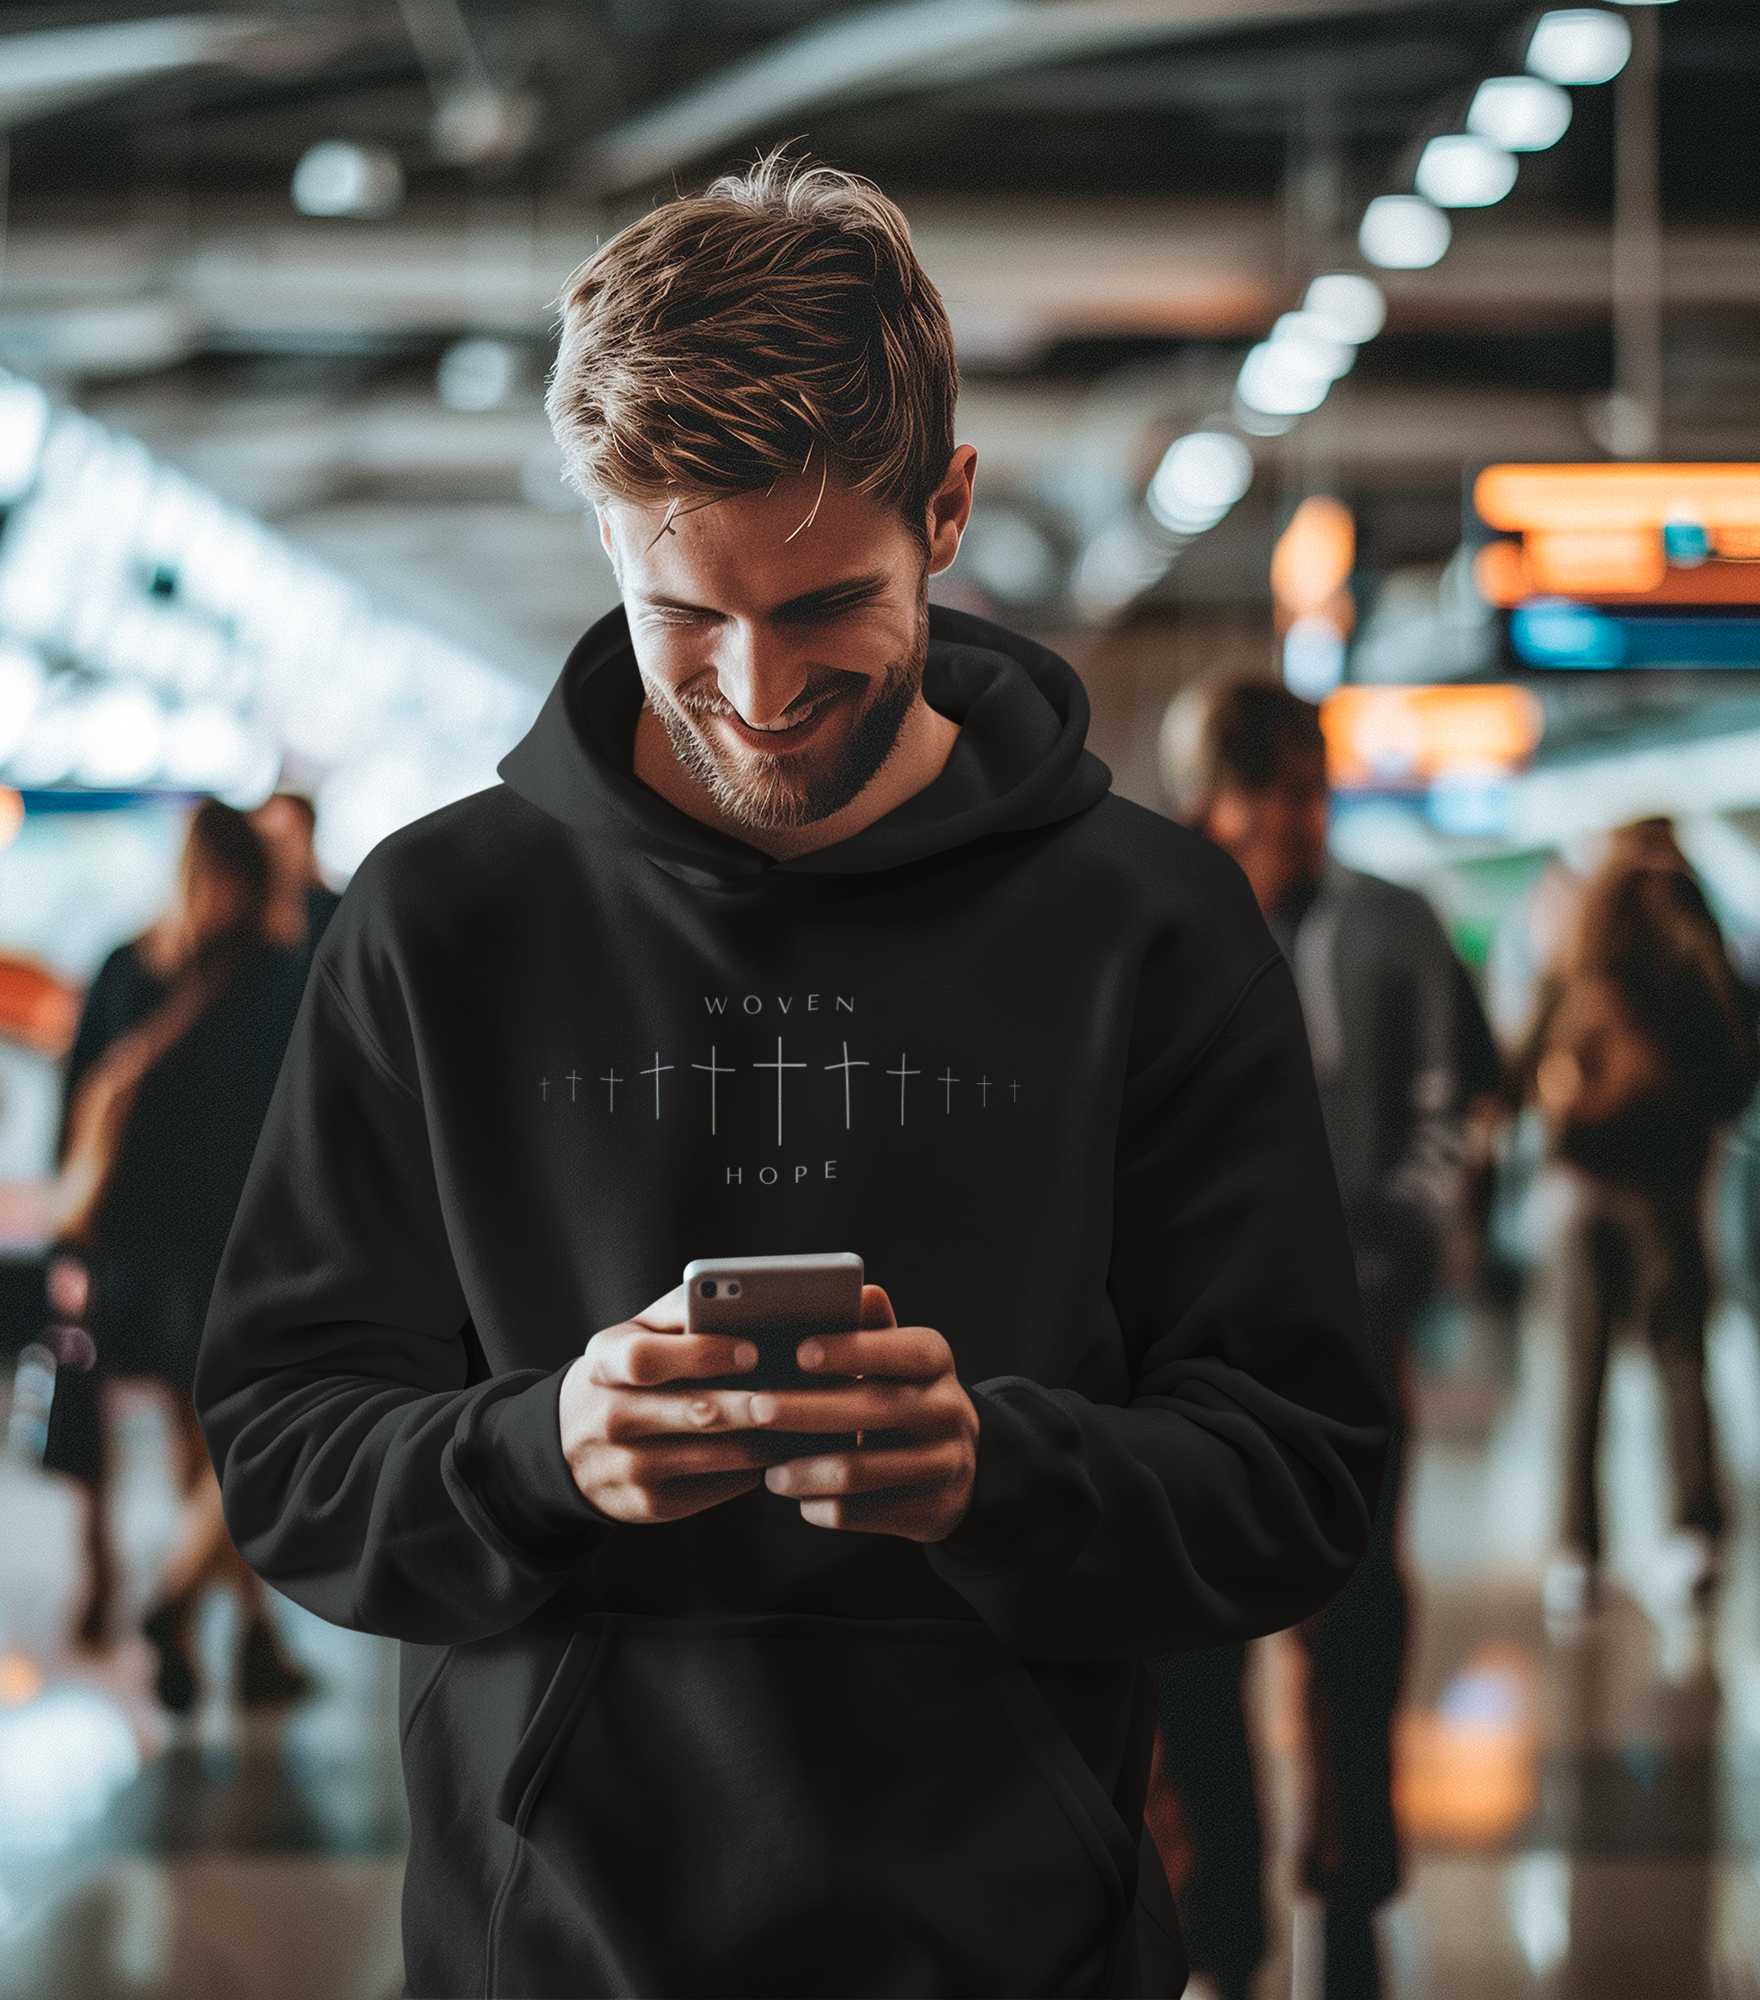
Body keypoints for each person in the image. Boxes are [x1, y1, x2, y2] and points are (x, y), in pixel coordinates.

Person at [196, 155, 1387, 2000]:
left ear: (950, 511)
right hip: (554, 1954)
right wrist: (540, 1450)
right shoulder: (440, 923)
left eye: (828, 603)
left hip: (1019, 1950)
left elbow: (1300, 1477)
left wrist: (1004, 1469)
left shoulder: (1149, 925)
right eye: (690, 614)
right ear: (606, 538)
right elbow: (283, 1450)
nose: (756, 690)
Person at [1152, 679, 1500, 2000]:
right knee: (1189, 1634)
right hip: (1186, 1355)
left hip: (1346, 1340)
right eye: (1264, 799)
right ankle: (1217, 1915)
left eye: (1308, 794)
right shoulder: (1158, 933)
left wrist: (1386, 1277)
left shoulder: (1393, 928)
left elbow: (1445, 1112)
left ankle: (1350, 1889)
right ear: (1206, 806)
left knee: (1353, 1620)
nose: (1292, 824)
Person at [55, 801, 310, 1709]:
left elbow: (76, 1099)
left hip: (136, 1248)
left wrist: (69, 1240)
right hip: (238, 1250)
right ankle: (178, 1605)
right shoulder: (280, 974)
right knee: (252, 1452)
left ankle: (238, 1636)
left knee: (199, 1445)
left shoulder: (126, 968)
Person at [1523, 822, 1758, 1612]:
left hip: (1581, 1194)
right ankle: (1696, 1534)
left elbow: (1527, 1055)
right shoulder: (1693, 934)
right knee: (1680, 1361)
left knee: (1577, 1371)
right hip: (1666, 1195)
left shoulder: (1586, 935)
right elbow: (1735, 1069)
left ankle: (1576, 1552)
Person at [249, 791, 341, 963]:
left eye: (286, 840)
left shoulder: (336, 914)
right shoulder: (241, 919)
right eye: (270, 842)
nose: (277, 854)